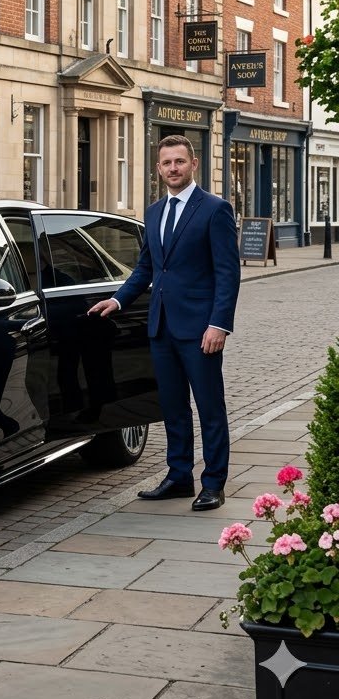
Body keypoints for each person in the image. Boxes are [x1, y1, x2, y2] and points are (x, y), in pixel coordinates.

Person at [89, 135, 241, 511]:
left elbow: (227, 272)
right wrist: (119, 298)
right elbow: (146, 268)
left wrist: (218, 324)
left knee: (209, 407)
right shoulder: (154, 212)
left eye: (179, 162)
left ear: (193, 164)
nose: (173, 168)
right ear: (158, 169)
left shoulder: (214, 209)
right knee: (172, 407)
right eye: (166, 163)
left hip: (200, 330)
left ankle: (213, 483)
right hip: (161, 327)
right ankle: (178, 477)